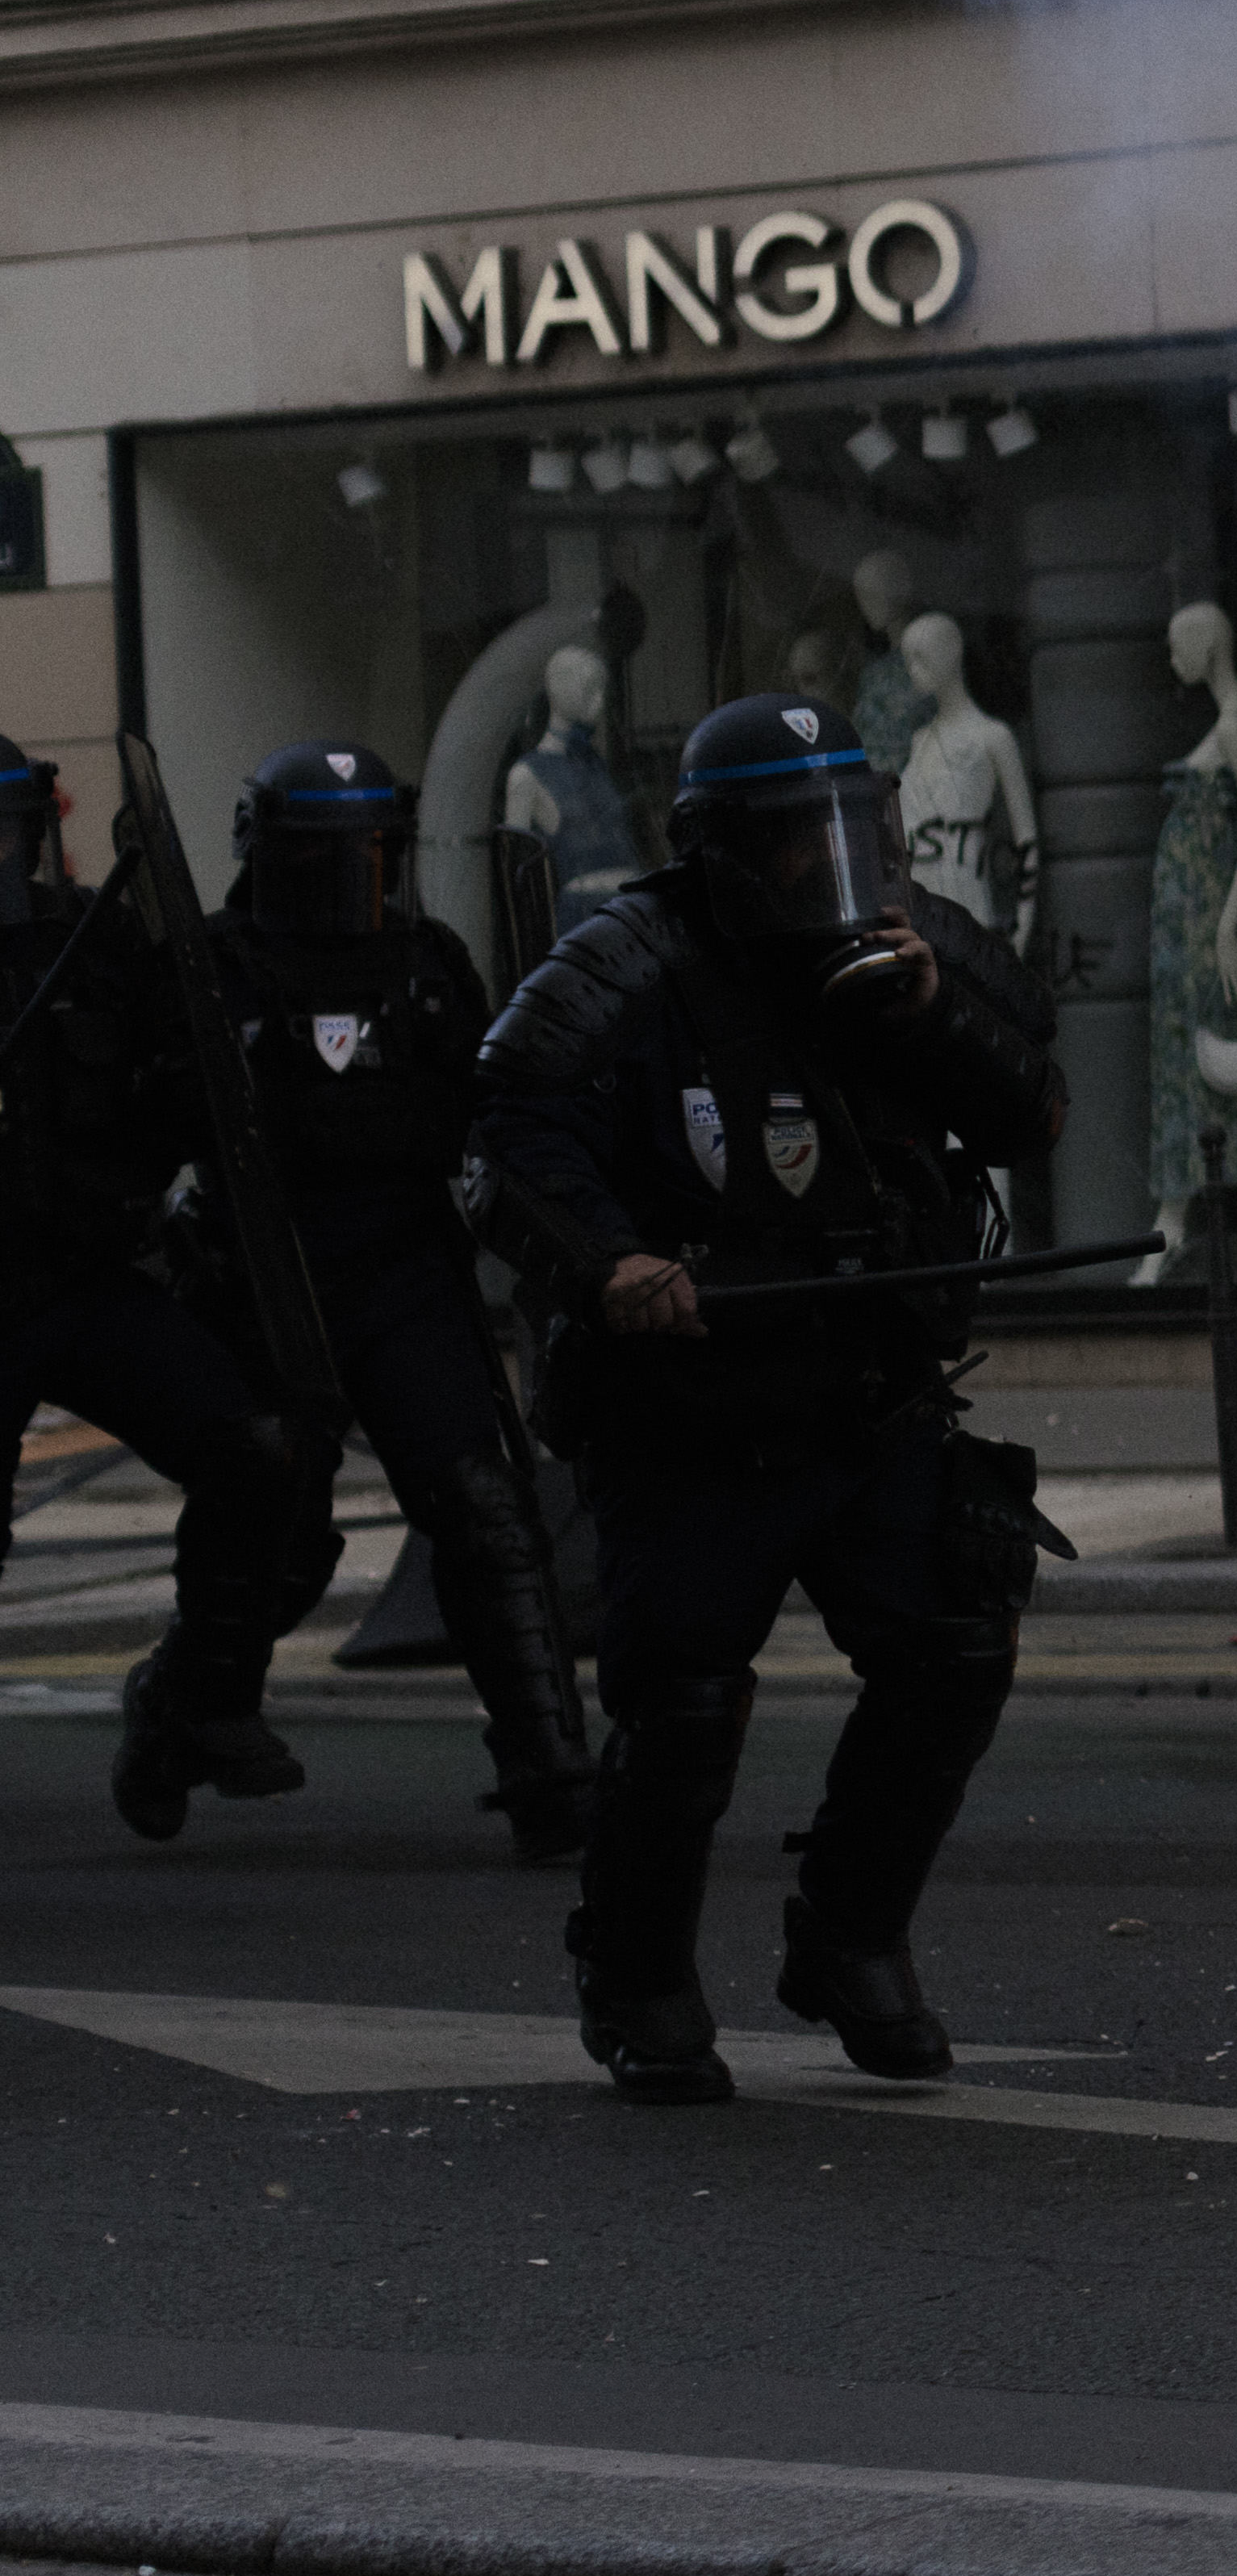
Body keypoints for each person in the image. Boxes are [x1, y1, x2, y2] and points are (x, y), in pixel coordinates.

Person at [465, 691, 1065, 2104]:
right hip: (691, 1411)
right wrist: (609, 1260)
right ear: (725, 849)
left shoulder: (913, 945)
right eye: (800, 845)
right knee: (680, 1708)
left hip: (869, 1389)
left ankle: (850, 1941)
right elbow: (507, 1129)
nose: (834, 872)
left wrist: (934, 1015)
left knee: (956, 1646)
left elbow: (1028, 1106)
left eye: (853, 834)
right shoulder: (630, 959)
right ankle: (640, 1981)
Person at [201, 746, 593, 1861]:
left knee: (486, 1509)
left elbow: (493, 1111)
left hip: (404, 1273)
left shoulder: (426, 964)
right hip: (268, 1278)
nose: (354, 879)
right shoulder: (214, 968)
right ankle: (191, 1705)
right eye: (329, 857)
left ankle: (549, 1768)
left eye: (373, 854)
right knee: (270, 1519)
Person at [0, 737, 342, 1838]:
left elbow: (192, 1095)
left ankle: (199, 1702)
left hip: (88, 1277)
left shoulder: (102, 943)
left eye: (11, 831)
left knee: (256, 1449)